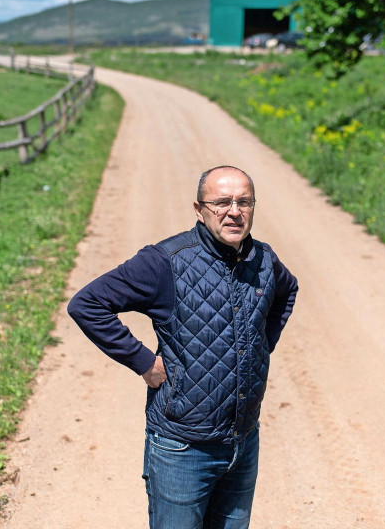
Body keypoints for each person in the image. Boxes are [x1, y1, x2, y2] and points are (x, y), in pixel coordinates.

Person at [68, 165, 298, 528]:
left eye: (244, 202)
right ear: (199, 209)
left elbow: (287, 292)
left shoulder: (264, 260)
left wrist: (261, 345)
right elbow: (88, 304)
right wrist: (143, 361)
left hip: (242, 441)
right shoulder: (165, 261)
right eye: (221, 202)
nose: (234, 211)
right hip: (182, 450)